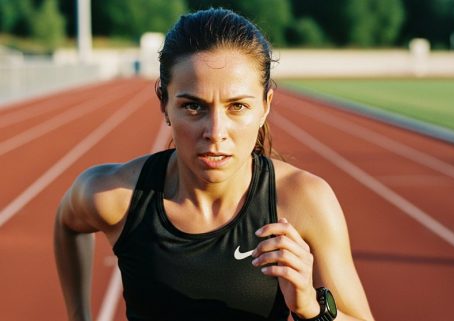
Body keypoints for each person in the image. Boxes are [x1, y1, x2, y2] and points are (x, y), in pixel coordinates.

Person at [54, 7, 374, 321]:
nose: (216, 133)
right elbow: (68, 224)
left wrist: (310, 307)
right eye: (194, 106)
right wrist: (78, 315)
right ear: (164, 104)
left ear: (265, 106)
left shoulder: (303, 200)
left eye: (237, 106)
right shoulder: (115, 196)